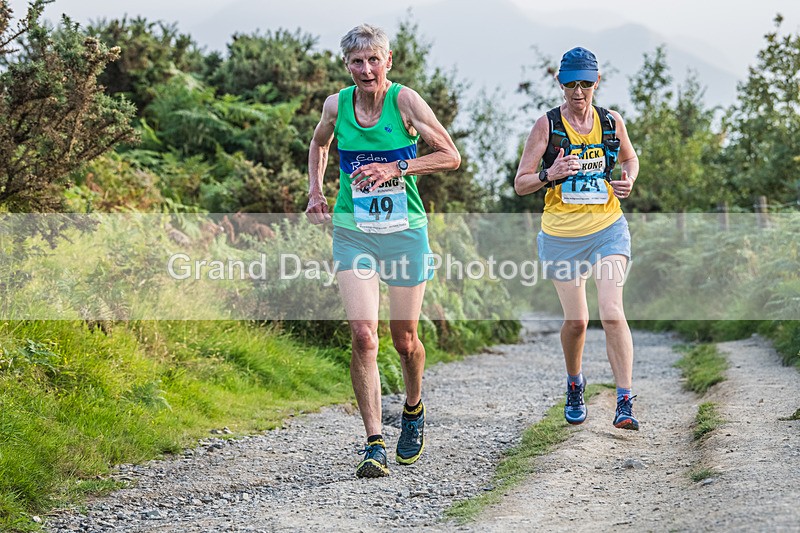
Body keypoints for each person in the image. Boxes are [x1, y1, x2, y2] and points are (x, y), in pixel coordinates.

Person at [305, 24, 461, 477]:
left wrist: (398, 165)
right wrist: (315, 191)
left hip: (404, 232)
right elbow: (319, 143)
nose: (366, 69)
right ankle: (373, 442)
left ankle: (413, 409)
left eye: (374, 60)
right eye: (358, 61)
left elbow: (450, 156)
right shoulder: (337, 105)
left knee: (404, 340)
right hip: (353, 230)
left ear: (388, 61)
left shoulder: (405, 102)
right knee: (363, 337)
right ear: (347, 65)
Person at [514, 47, 641, 430]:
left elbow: (630, 159)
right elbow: (521, 184)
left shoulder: (610, 121)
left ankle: (624, 401)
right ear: (560, 83)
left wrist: (629, 180)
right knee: (578, 321)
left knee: (612, 311)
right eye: (571, 84)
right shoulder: (547, 126)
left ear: (596, 82)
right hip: (562, 235)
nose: (578, 91)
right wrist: (549, 173)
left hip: (607, 227)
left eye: (586, 83)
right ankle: (574, 382)